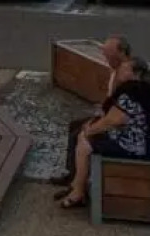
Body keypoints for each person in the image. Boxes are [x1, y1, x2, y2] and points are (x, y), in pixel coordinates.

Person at [59, 55, 150, 209]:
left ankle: (78, 191)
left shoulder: (133, 92)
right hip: (133, 140)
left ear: (136, 74)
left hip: (131, 145)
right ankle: (76, 184)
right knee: (83, 132)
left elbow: (114, 120)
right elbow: (112, 116)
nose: (120, 70)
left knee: (85, 142)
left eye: (125, 69)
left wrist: (90, 130)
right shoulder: (140, 89)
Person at [53, 35, 131, 188]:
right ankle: (72, 174)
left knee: (80, 133)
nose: (106, 59)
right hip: (108, 115)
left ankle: (77, 183)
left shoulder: (125, 75)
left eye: (109, 56)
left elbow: (119, 114)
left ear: (122, 53)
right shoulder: (115, 69)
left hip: (117, 125)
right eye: (106, 55)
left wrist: (96, 122)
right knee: (74, 126)